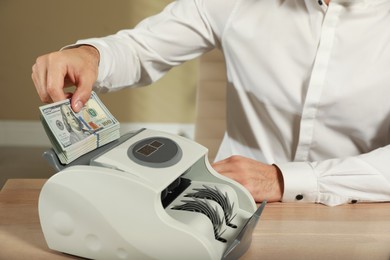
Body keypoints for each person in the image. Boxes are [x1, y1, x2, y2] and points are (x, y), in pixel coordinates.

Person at [31, 0, 390, 206]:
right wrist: (91, 55)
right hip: (232, 204)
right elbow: (140, 49)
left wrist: (284, 180)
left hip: (363, 209)